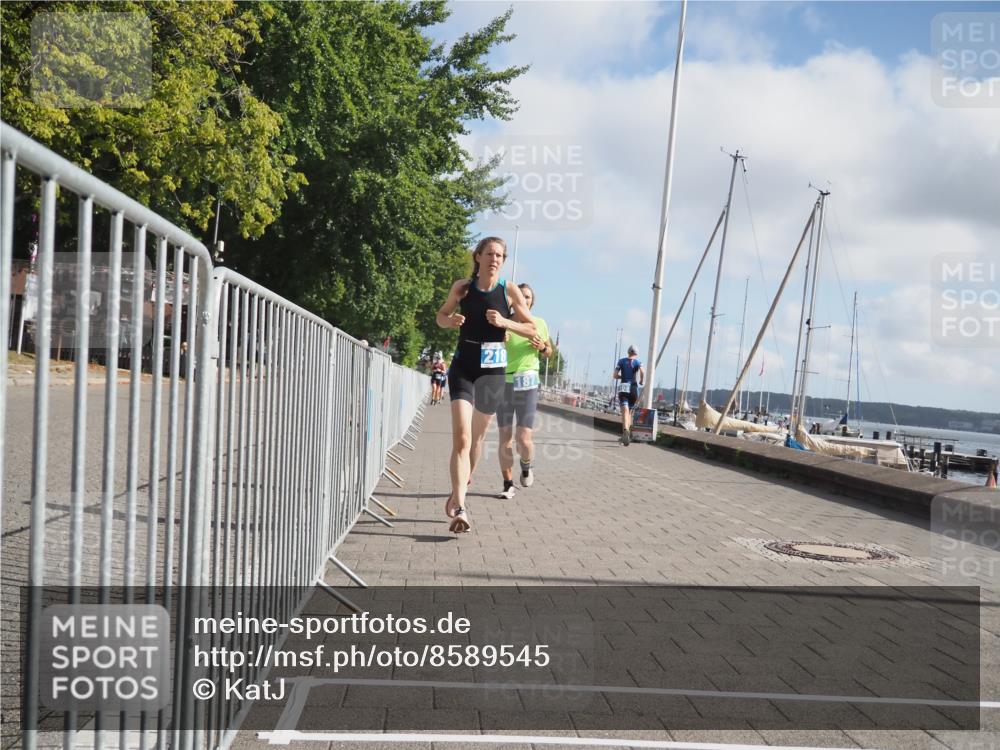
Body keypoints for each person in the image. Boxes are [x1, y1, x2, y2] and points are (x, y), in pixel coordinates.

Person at [436, 237, 536, 533]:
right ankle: (462, 510)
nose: (495, 259)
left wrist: (507, 323)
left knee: (476, 440)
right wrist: (450, 321)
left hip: (493, 374)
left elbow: (530, 327)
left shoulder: (509, 290)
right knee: (462, 439)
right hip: (463, 369)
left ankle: (460, 488)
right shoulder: (462, 288)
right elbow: (440, 317)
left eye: (500, 255)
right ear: (477, 256)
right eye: (490, 253)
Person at [496, 283, 551, 499]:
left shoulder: (539, 324)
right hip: (504, 383)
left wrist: (542, 348)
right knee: (505, 438)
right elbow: (486, 351)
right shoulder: (503, 323)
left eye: (527, 297)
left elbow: (549, 351)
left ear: (532, 301)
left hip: (528, 384)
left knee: (524, 438)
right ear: (513, 300)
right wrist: (499, 341)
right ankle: (508, 483)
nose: (524, 300)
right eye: (521, 296)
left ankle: (526, 466)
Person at [613, 345, 644, 446]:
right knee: (629, 412)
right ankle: (627, 434)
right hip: (634, 389)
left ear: (628, 352)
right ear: (636, 353)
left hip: (624, 387)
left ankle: (625, 432)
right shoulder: (638, 362)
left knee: (624, 412)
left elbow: (614, 375)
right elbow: (642, 371)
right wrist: (641, 381)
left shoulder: (621, 361)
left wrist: (621, 376)